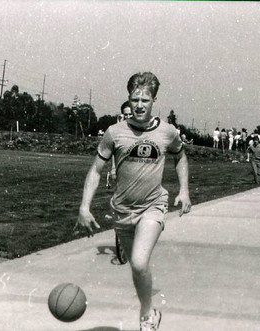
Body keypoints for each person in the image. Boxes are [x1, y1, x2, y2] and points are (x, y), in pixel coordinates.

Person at [76, 72, 191, 331]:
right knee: (136, 268)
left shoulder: (167, 132)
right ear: (129, 100)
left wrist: (184, 190)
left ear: (154, 101)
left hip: (153, 205)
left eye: (145, 100)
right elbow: (95, 170)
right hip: (123, 210)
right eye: (135, 99)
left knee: (139, 262)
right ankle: (151, 311)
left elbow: (180, 157)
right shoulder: (114, 133)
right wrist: (84, 207)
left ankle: (145, 318)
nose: (139, 105)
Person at [107, 101, 132, 188]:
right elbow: (114, 151)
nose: (128, 117)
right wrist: (113, 169)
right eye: (126, 115)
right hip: (122, 170)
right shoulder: (119, 132)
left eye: (130, 114)